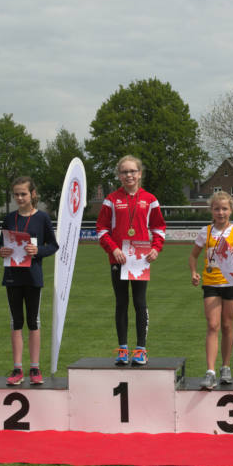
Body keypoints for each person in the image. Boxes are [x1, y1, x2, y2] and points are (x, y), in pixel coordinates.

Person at [96, 155, 166, 366]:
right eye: (124, 172)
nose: (129, 175)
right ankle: (123, 348)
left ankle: (141, 349)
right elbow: (101, 229)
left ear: (140, 174)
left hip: (140, 260)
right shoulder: (111, 199)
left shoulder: (150, 199)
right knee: (121, 303)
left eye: (132, 171)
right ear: (119, 175)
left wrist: (156, 248)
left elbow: (159, 228)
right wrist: (114, 248)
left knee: (139, 302)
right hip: (119, 259)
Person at [189, 191, 233, 389]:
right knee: (213, 325)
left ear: (230, 210)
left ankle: (225, 367)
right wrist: (194, 272)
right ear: (211, 210)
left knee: (227, 326)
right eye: (217, 209)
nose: (220, 212)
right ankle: (210, 371)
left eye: (224, 209)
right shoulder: (206, 231)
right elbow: (193, 255)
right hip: (211, 284)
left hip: (231, 284)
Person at [0, 177, 59, 386]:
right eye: (16, 194)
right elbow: (2, 246)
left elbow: (53, 245)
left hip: (33, 277)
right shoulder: (9, 218)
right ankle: (17, 369)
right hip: (12, 277)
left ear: (33, 194)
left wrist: (38, 251)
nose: (19, 198)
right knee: (16, 322)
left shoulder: (42, 218)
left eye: (23, 193)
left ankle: (35, 367)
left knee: (34, 322)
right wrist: (2, 251)